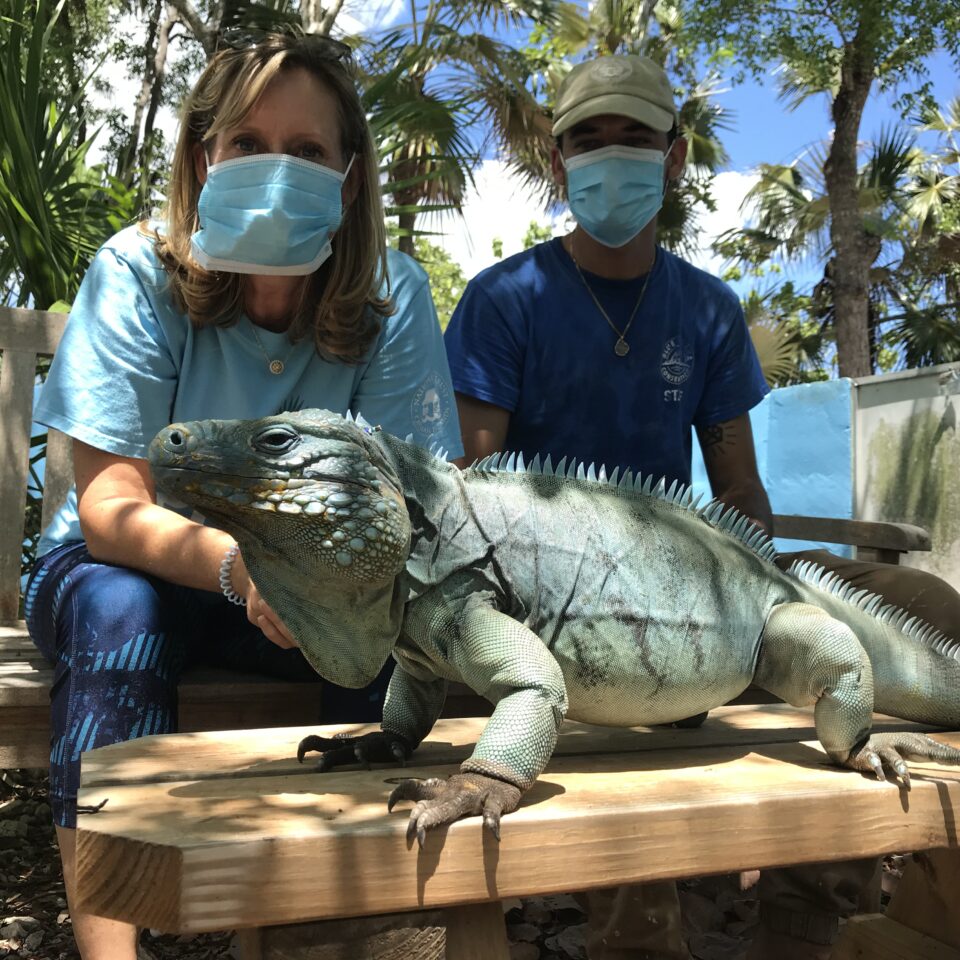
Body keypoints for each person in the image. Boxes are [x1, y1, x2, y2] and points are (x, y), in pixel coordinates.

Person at [444, 54, 960, 960]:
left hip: (700, 581)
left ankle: (827, 907)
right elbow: (472, 493)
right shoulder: (503, 300)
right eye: (587, 140)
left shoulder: (708, 309)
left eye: (634, 136)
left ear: (675, 157)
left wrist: (766, 595)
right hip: (558, 603)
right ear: (558, 162)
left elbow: (739, 487)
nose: (611, 156)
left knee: (930, 607)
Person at [26, 31, 462, 960]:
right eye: (248, 142)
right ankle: (112, 947)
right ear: (202, 157)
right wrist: (243, 567)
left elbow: (411, 503)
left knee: (404, 652)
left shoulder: (393, 298)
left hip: (318, 585)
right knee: (117, 615)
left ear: (349, 181)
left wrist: (313, 586)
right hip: (125, 566)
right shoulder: (134, 273)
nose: (276, 168)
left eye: (307, 151)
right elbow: (110, 509)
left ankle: (329, 928)